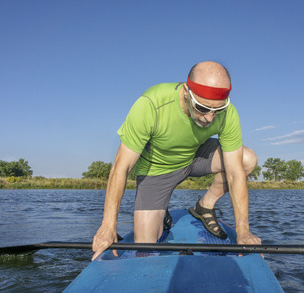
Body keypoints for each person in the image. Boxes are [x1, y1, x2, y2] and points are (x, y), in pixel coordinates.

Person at [92, 61, 261, 260]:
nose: (210, 118)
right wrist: (108, 226)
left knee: (247, 159)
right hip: (156, 170)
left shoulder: (227, 113)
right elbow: (121, 167)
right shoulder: (151, 104)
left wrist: (243, 230)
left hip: (195, 158)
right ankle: (161, 214)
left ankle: (204, 206)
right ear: (186, 91)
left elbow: (234, 173)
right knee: (145, 249)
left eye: (218, 109)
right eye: (202, 108)